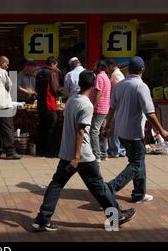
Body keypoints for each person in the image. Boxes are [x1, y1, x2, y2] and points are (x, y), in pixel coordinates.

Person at [32, 70, 136, 232]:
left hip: (68, 153)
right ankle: (116, 216)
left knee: (57, 184)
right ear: (94, 85)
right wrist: (76, 156)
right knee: (99, 187)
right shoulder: (86, 104)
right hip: (82, 155)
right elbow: (81, 131)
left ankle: (42, 219)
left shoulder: (71, 100)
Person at [104, 56, 168, 203]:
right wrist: (161, 130)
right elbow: (149, 113)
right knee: (136, 163)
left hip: (121, 131)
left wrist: (107, 127)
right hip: (133, 133)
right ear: (142, 69)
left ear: (128, 69)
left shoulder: (120, 85)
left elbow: (112, 108)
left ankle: (139, 194)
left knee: (139, 161)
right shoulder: (141, 86)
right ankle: (112, 186)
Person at [0, 56, 22, 159]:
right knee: (8, 128)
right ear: (2, 63)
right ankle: (10, 151)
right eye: (7, 64)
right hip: (3, 103)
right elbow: (9, 84)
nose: (8, 66)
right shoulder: (2, 71)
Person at [36, 56, 60, 157]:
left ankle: (40, 150)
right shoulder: (52, 73)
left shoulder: (39, 73)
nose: (56, 67)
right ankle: (50, 151)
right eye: (56, 65)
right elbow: (55, 89)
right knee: (52, 128)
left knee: (42, 128)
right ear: (53, 64)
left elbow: (36, 88)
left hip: (41, 105)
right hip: (50, 104)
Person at [89, 60, 111, 162]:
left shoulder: (99, 77)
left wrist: (93, 106)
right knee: (102, 132)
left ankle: (97, 155)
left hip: (99, 108)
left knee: (94, 131)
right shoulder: (106, 77)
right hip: (106, 108)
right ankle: (104, 154)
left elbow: (98, 93)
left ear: (99, 67)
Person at [106, 58, 126, 158]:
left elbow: (119, 91)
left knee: (115, 128)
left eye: (107, 68)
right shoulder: (117, 74)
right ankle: (120, 149)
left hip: (117, 105)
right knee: (117, 128)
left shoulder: (116, 75)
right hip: (119, 105)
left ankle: (116, 150)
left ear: (110, 66)